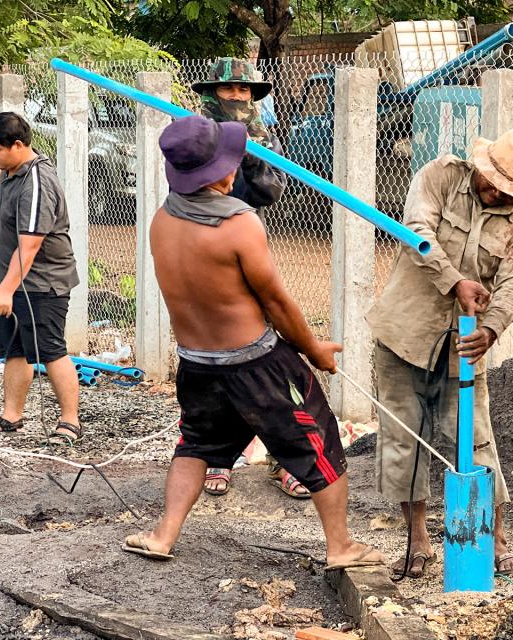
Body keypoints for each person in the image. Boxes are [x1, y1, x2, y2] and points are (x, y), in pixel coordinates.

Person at [121, 115, 383, 572]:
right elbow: (277, 304)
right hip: (257, 364)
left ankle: (164, 535)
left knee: (196, 445)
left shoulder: (161, 221)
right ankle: (340, 545)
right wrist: (314, 350)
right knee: (318, 445)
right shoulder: (239, 225)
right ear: (223, 173)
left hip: (196, 363)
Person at [366, 129, 513, 578]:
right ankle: (418, 541)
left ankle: (493, 539)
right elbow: (416, 230)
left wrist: (490, 328)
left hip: (464, 348)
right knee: (404, 441)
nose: (494, 190)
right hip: (404, 335)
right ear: (482, 167)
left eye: (505, 189)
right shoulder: (441, 177)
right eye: (492, 180)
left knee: (478, 442)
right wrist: (455, 280)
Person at [191, 57, 294, 498]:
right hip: (203, 259)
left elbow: (271, 192)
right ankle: (218, 457)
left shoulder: (261, 138)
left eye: (245, 91)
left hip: (248, 254)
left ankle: (283, 457)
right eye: (229, 89)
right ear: (212, 93)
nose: (237, 96)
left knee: (267, 359)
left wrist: (248, 155)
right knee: (212, 361)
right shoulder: (194, 133)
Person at [0, 112, 82, 444]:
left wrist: (5, 290)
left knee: (50, 349)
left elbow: (29, 246)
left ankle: (70, 421)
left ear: (18, 145)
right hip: (12, 280)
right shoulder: (12, 172)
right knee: (14, 349)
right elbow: (1, 184)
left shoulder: (37, 182)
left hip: (41, 283)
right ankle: (12, 415)